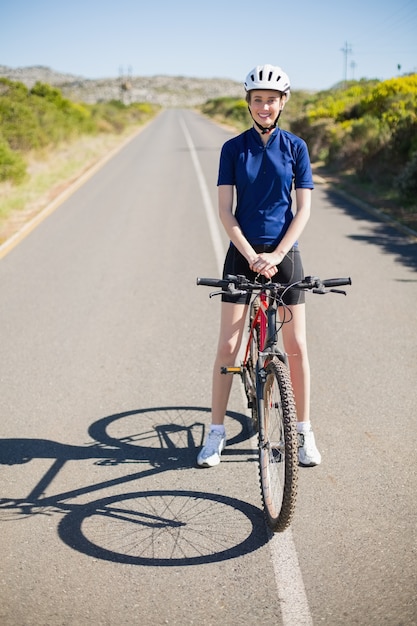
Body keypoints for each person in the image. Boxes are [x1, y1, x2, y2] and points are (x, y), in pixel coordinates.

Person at [197, 63, 321, 469]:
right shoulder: (233, 149)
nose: (264, 106)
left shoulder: (296, 148)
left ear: (283, 102)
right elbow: (224, 211)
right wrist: (251, 255)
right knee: (229, 346)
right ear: (248, 103)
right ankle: (215, 431)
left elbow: (302, 211)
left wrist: (279, 254)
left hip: (285, 252)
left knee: (297, 347)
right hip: (243, 252)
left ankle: (303, 431)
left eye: (271, 100)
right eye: (257, 100)